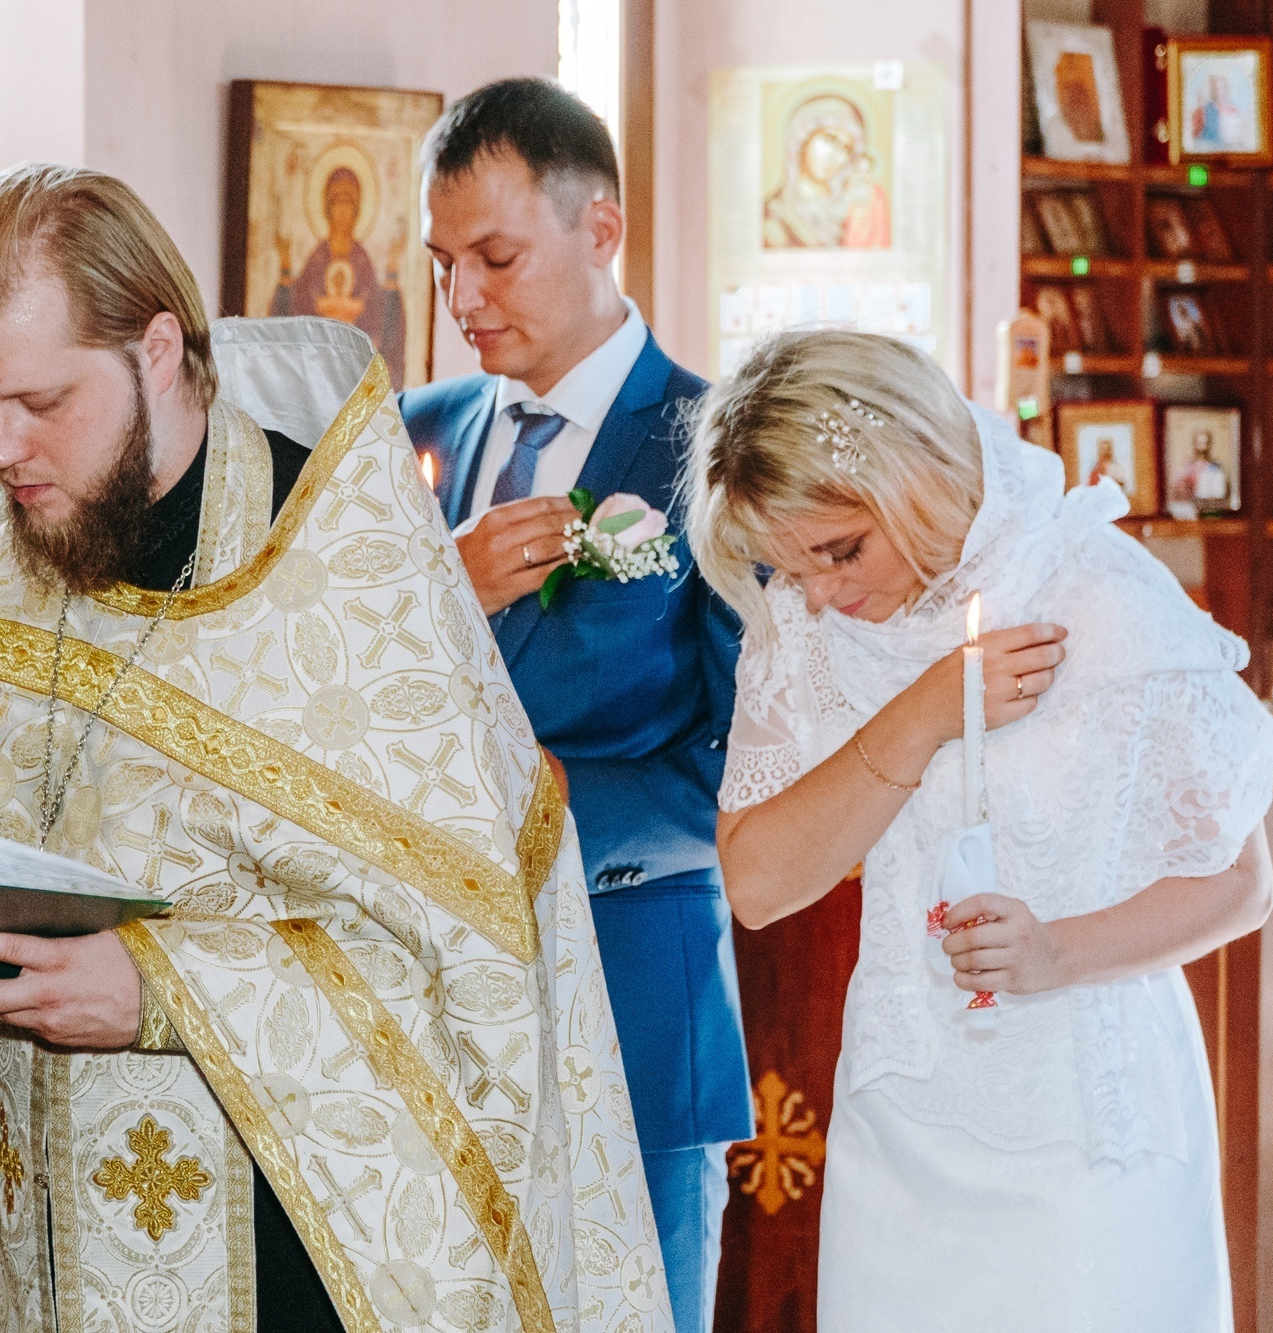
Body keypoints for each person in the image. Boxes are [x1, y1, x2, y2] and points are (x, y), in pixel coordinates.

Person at [0, 164, 672, 1333]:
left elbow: (469, 973)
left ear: (158, 348)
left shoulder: (348, 586)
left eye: (39, 401)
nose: (3, 449)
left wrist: (163, 989)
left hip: (295, 1266)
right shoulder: (24, 575)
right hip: (46, 1264)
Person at [684, 329, 1273, 1331]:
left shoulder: (1091, 584)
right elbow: (756, 881)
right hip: (903, 1130)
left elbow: (1240, 881)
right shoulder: (810, 619)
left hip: (1087, 1139)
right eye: (791, 565)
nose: (821, 591)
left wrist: (1052, 949)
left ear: (913, 470)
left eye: (840, 550)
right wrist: (921, 713)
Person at [399, 79, 750, 1333]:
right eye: (442, 265)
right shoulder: (408, 438)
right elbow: (332, 693)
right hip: (425, 1009)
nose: (462, 302)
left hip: (634, 998)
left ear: (598, 230)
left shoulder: (714, 448)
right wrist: (444, 592)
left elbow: (742, 757)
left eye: (494, 257)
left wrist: (546, 815)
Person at [272, 163, 406, 376]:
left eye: (349, 204)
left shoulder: (362, 260)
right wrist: (286, 263)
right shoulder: (317, 259)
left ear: (357, 210)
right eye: (337, 203)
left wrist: (392, 267)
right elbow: (293, 308)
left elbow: (382, 318)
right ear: (327, 208)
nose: (343, 211)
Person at [762, 93, 891, 250]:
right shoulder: (775, 215)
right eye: (829, 139)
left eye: (846, 148)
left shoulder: (856, 203)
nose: (837, 156)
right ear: (802, 139)